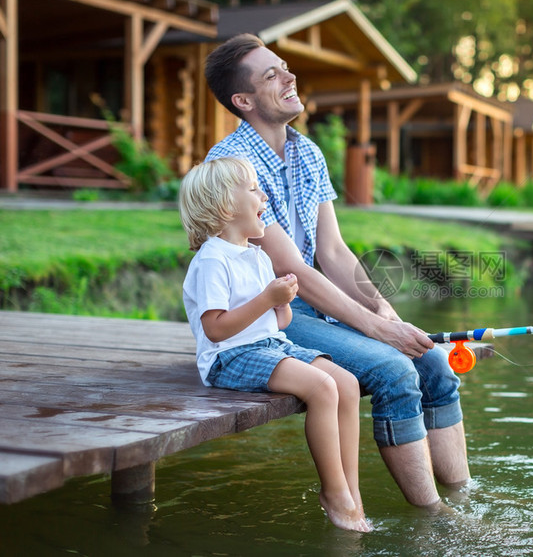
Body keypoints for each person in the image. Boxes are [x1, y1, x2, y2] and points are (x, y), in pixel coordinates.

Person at [203, 34, 470, 510]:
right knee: (394, 370)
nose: (290, 77)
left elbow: (334, 250)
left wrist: (381, 306)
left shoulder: (308, 153)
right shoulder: (230, 168)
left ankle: (463, 498)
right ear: (242, 101)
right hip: (272, 311)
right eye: (272, 75)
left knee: (433, 363)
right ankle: (435, 519)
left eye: (286, 67)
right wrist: (378, 331)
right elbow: (290, 270)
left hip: (318, 300)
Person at [179, 157, 370, 532]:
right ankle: (333, 492)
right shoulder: (212, 260)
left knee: (346, 383)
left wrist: (280, 302)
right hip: (229, 357)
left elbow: (279, 322)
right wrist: (267, 299)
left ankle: (352, 491)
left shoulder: (257, 256)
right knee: (322, 386)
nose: (263, 195)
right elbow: (216, 329)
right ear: (223, 206)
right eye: (252, 189)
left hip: (270, 344)